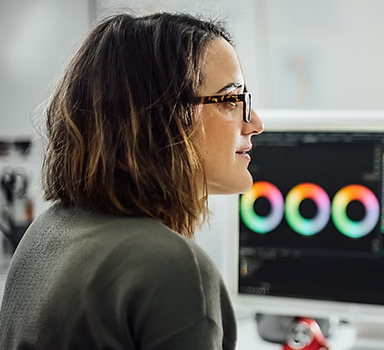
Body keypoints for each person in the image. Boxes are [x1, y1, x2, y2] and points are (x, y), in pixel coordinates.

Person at [0, 12, 263, 350]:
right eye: (230, 98)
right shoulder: (173, 269)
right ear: (164, 117)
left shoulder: (45, 233)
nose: (255, 122)